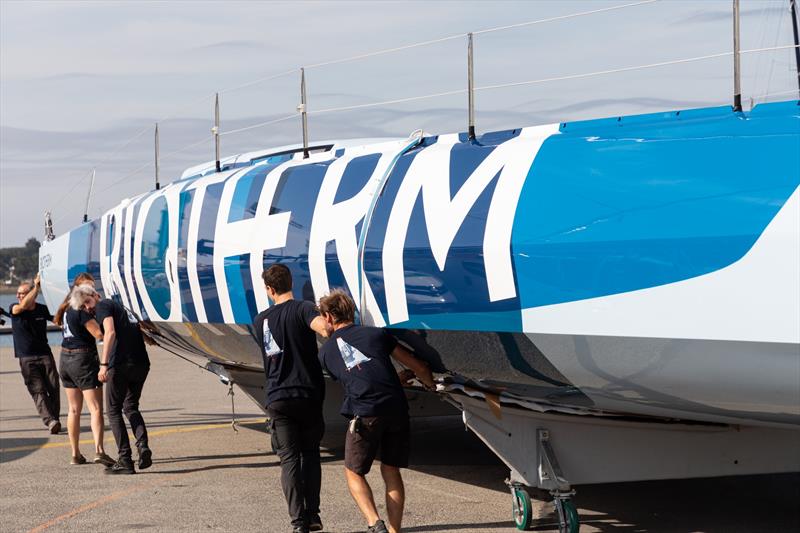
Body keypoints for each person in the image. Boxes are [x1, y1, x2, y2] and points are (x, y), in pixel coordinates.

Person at [317, 290, 435, 533]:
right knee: (391, 470)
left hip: (365, 413)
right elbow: (417, 366)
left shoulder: (325, 353)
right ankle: (394, 530)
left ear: (329, 317)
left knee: (353, 472)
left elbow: (357, 380)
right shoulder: (377, 334)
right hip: (396, 408)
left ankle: (374, 522)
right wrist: (431, 385)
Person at [252, 264, 329, 533]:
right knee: (310, 455)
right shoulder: (303, 308)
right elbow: (324, 329)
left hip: (277, 397)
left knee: (289, 460)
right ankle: (313, 514)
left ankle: (298, 523)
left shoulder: (260, 320)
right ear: (290, 282)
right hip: (307, 393)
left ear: (270, 289)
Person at [72, 284, 152, 475]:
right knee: (131, 406)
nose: (87, 308)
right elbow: (134, 326)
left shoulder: (103, 306)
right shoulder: (119, 306)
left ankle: (125, 459)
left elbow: (110, 332)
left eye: (87, 303)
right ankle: (143, 447)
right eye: (83, 307)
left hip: (121, 365)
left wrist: (104, 364)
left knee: (113, 411)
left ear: (95, 295)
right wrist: (149, 339)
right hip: (141, 363)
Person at [52, 273, 114, 466]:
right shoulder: (82, 312)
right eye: (90, 289)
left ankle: (75, 453)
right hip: (83, 358)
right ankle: (99, 450)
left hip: (65, 357)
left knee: (73, 409)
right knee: (95, 408)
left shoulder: (66, 308)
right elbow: (99, 334)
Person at [10, 273, 61, 434]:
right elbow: (23, 306)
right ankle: (50, 421)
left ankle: (55, 418)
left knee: (53, 388)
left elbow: (57, 320)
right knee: (37, 390)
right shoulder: (15, 308)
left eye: (21, 293)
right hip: (26, 358)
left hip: (45, 354)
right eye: (18, 293)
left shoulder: (41, 309)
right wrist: (36, 286)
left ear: (30, 294)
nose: (18, 295)